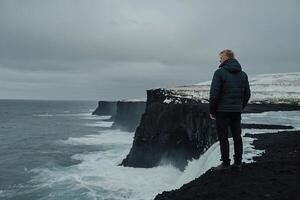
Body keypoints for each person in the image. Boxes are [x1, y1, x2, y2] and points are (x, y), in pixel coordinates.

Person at [209, 49, 251, 171]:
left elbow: (214, 94)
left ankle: (226, 163)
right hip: (236, 111)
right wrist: (239, 106)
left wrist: (212, 110)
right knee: (237, 136)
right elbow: (247, 94)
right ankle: (238, 163)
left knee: (223, 137)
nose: (219, 60)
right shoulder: (243, 74)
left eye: (221, 58)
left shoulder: (219, 73)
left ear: (227, 58)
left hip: (222, 111)